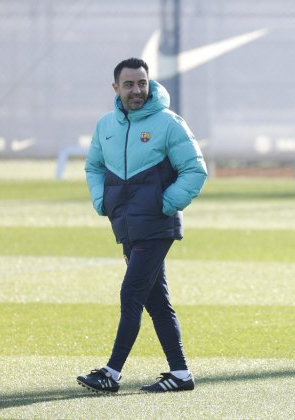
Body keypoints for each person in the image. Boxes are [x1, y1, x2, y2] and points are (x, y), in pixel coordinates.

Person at [77, 57, 207, 394]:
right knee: (156, 302)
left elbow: (195, 170)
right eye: (129, 84)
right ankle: (180, 374)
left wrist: (163, 205)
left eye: (142, 83)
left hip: (155, 226)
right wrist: (101, 201)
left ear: (149, 85)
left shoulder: (169, 123)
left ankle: (111, 372)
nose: (137, 90)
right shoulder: (105, 125)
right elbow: (93, 166)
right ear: (115, 88)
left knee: (130, 293)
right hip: (126, 227)